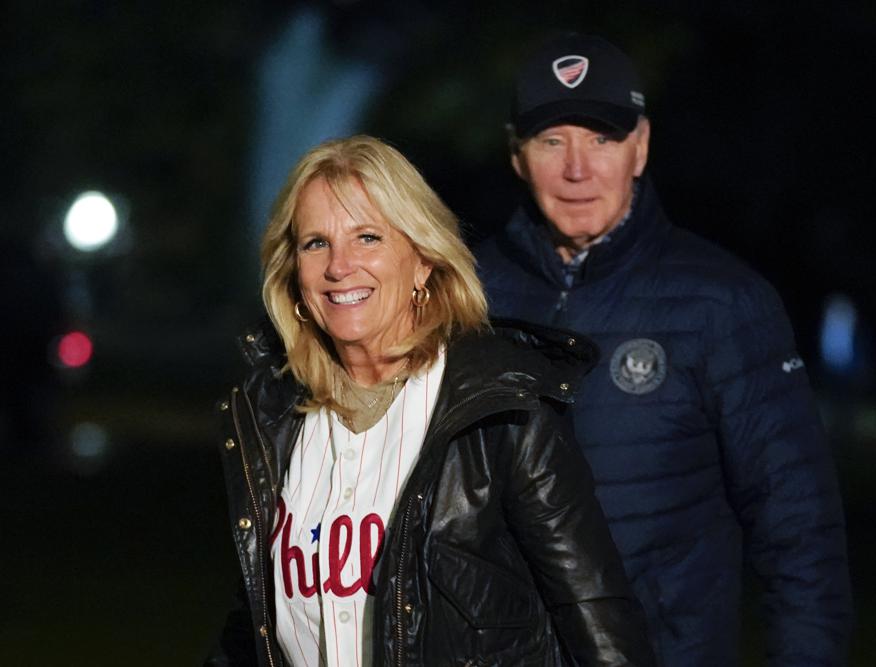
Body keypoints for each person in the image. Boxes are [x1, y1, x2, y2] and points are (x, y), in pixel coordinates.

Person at [475, 34, 853, 665]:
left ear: (641, 146)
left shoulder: (723, 303)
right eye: (551, 142)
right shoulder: (466, 295)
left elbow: (798, 528)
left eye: (602, 139)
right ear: (517, 155)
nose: (577, 169)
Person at [206, 135, 654, 666]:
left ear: (422, 260)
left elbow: (595, 616)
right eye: (316, 243)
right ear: (293, 272)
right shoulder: (271, 417)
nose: (339, 266)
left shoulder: (503, 408)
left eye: (367, 237)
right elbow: (254, 623)